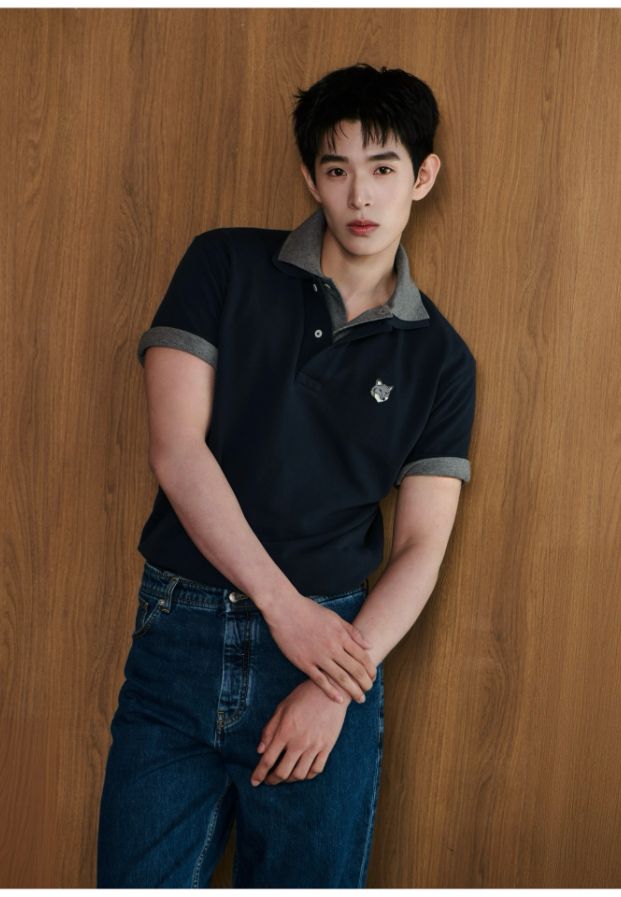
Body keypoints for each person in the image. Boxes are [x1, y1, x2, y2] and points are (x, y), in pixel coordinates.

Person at [96, 62, 476, 888]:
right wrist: (281, 606)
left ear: (422, 176)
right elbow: (177, 449)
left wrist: (336, 685)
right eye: (336, 170)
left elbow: (421, 545)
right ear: (310, 178)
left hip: (332, 651)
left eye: (383, 169)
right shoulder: (222, 264)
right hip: (179, 633)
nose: (360, 196)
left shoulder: (443, 361)